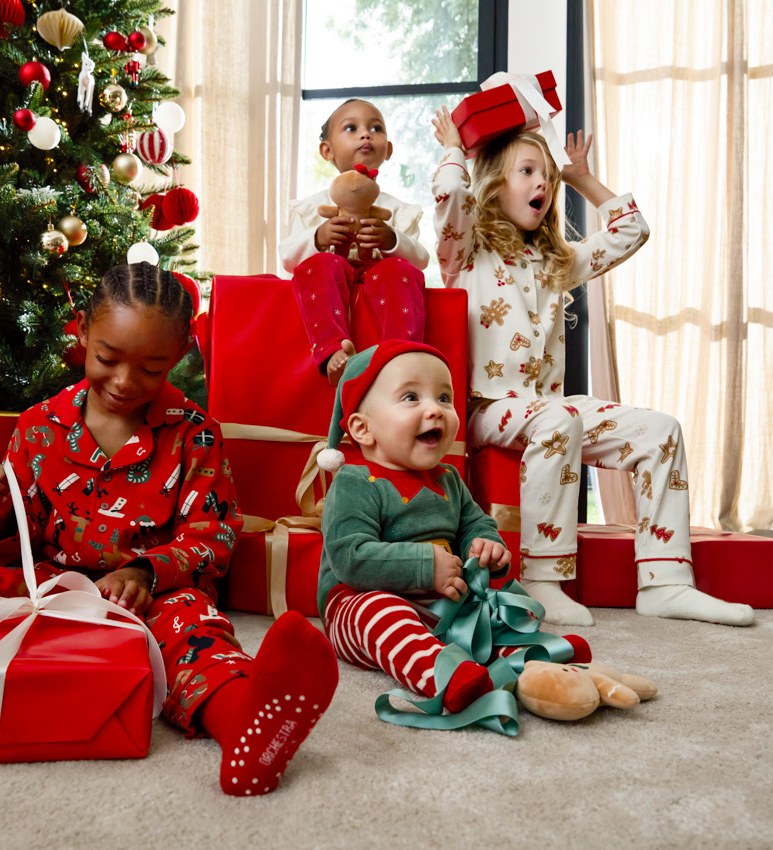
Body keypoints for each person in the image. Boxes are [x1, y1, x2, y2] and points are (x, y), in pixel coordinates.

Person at [0, 262, 338, 796]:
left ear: (181, 353)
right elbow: (10, 555)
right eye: (107, 359)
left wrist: (145, 572)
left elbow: (213, 536)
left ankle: (243, 721)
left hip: (154, 598)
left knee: (195, 632)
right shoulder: (36, 426)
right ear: (82, 332)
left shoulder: (195, 434)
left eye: (151, 368)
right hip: (47, 587)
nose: (124, 381)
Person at [430, 106, 754, 628]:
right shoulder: (466, 251)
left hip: (551, 410)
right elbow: (449, 194)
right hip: (489, 407)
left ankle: (667, 582)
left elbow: (631, 230)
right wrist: (453, 147)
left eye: (547, 175)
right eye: (527, 171)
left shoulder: (557, 262)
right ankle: (544, 578)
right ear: (492, 185)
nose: (543, 182)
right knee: (559, 419)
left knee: (661, 431)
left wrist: (581, 177)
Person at [315, 339, 592, 715]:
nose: (435, 409)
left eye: (444, 397)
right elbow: (350, 557)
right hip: (358, 602)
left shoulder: (448, 479)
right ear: (363, 429)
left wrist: (485, 545)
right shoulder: (355, 482)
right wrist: (424, 565)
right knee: (379, 612)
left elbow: (474, 524)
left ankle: (535, 661)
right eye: (411, 397)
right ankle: (445, 674)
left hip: (442, 604)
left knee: (491, 612)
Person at [279, 99, 429, 386]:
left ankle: (398, 354)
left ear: (389, 150)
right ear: (327, 150)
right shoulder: (312, 209)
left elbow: (420, 262)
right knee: (320, 264)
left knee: (399, 270)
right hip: (332, 282)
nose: (366, 134)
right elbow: (288, 259)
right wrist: (318, 238)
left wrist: (391, 240)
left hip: (381, 281)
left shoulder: (398, 211)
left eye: (376, 128)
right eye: (351, 128)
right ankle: (332, 349)